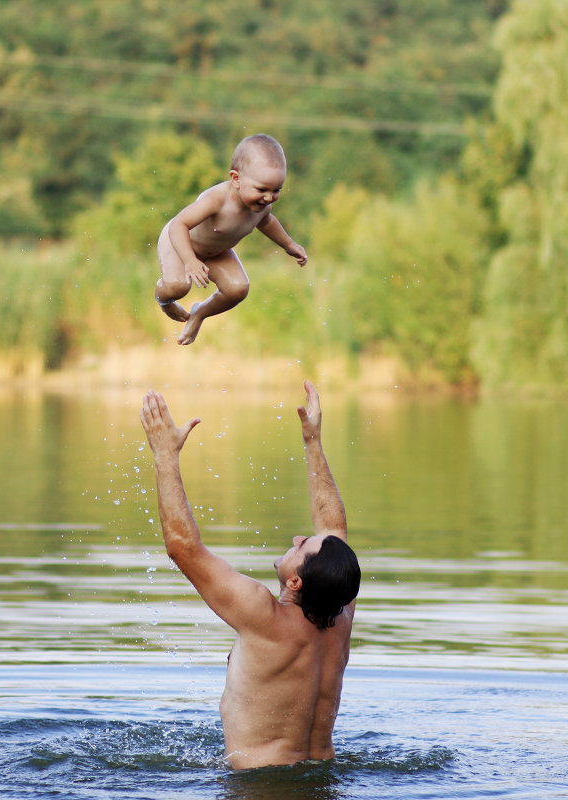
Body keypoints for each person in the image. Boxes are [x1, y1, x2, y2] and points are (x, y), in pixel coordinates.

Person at [139, 381, 360, 769]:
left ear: (295, 583)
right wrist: (312, 443)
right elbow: (334, 532)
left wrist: (165, 455)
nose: (296, 537)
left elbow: (183, 549)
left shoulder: (265, 617)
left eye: (301, 546)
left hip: (257, 788)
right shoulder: (339, 612)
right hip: (325, 784)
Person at [155, 134, 308, 345]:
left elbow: (267, 222)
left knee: (238, 289)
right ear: (236, 179)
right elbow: (178, 225)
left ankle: (199, 313)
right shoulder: (216, 200)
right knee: (177, 286)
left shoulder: (261, 208)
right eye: (262, 189)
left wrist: (289, 245)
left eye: (276, 190)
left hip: (216, 252)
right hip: (180, 242)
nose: (269, 198)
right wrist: (190, 260)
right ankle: (165, 301)